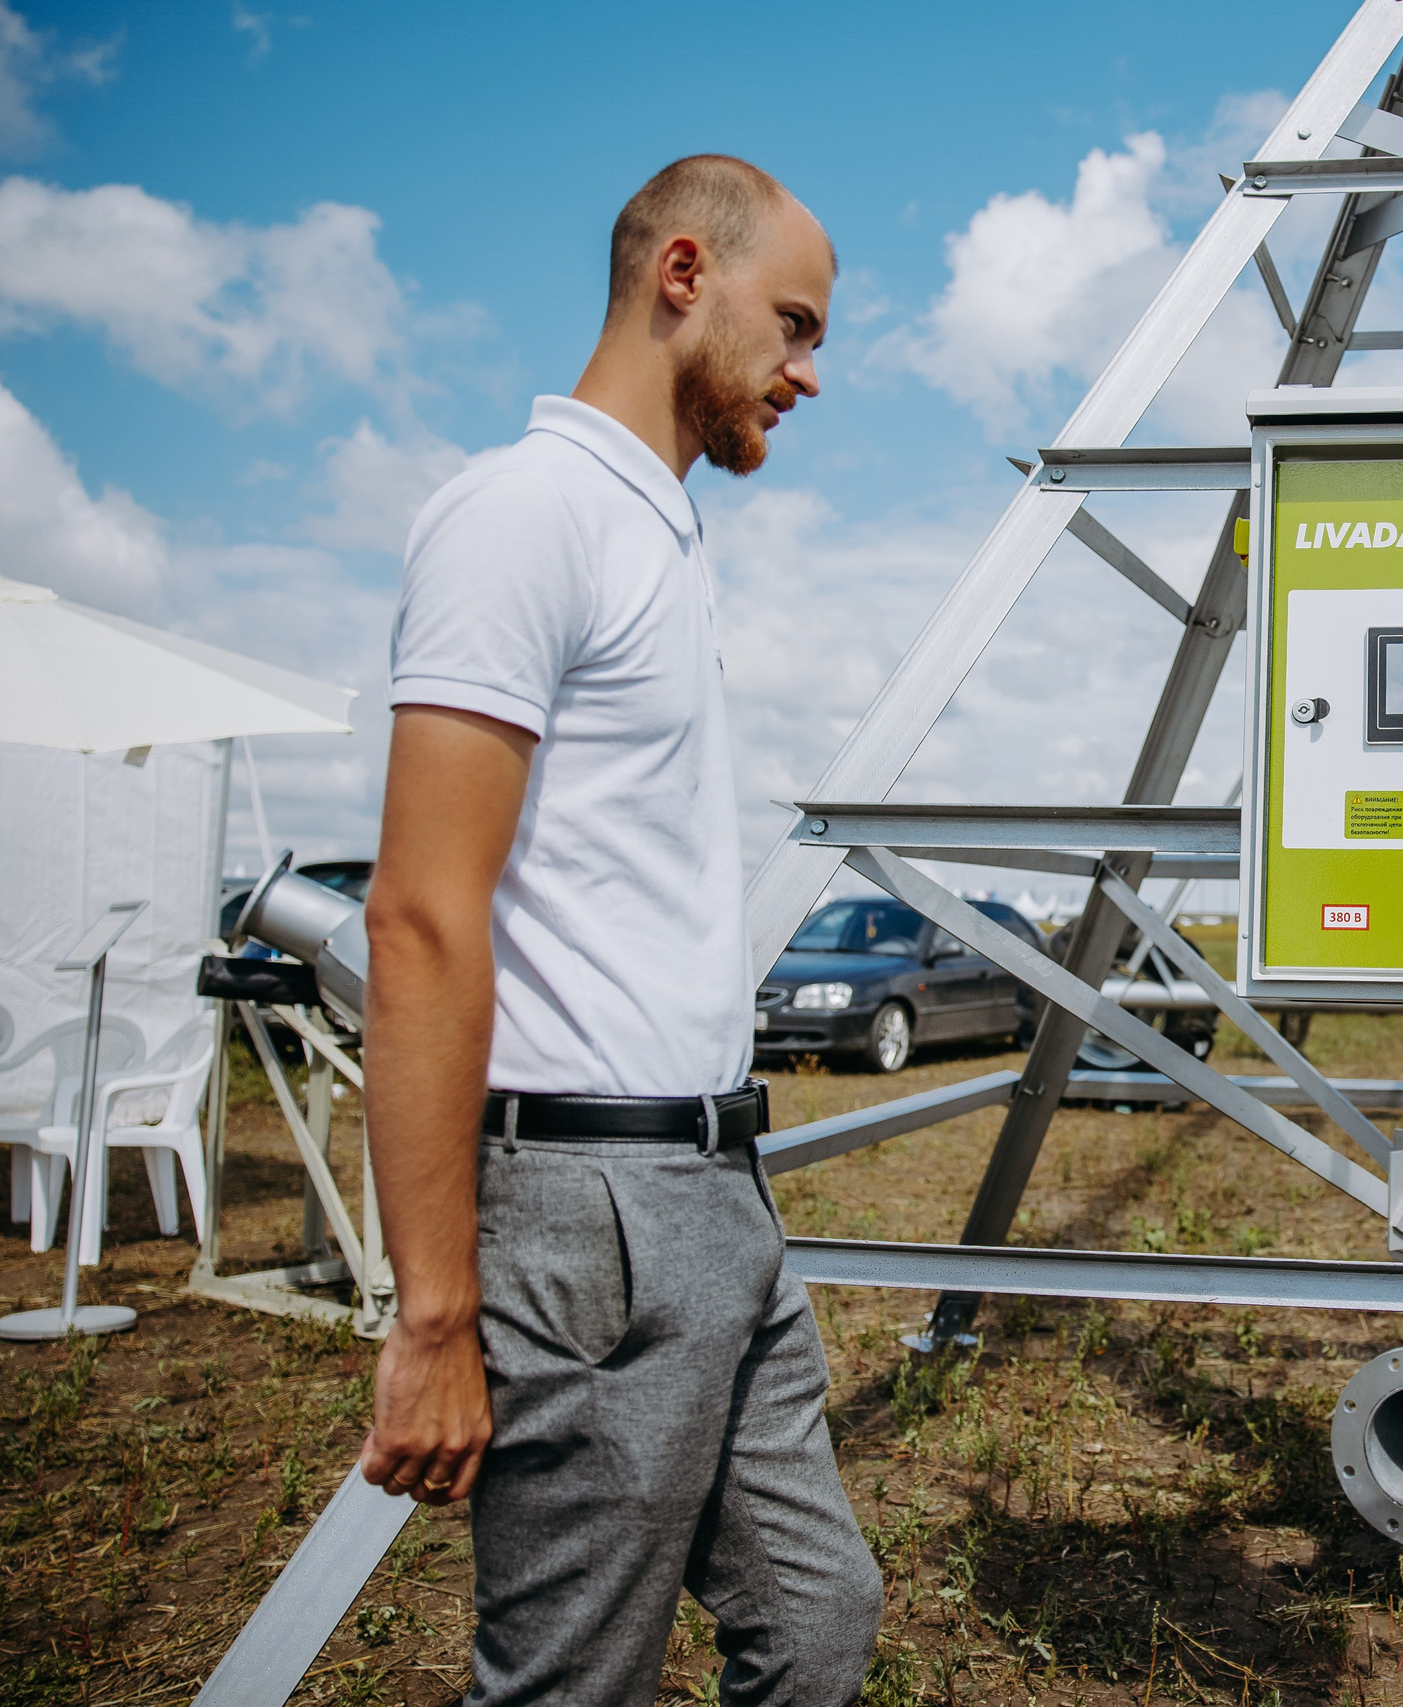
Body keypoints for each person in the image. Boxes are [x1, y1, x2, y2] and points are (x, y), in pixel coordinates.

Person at [357, 155, 883, 1705]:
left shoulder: (653, 528)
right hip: (589, 1212)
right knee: (570, 1682)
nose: (806, 373)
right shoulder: (523, 516)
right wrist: (436, 1312)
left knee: (816, 1621)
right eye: (792, 327)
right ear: (679, 275)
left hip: (714, 1184)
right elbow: (421, 915)